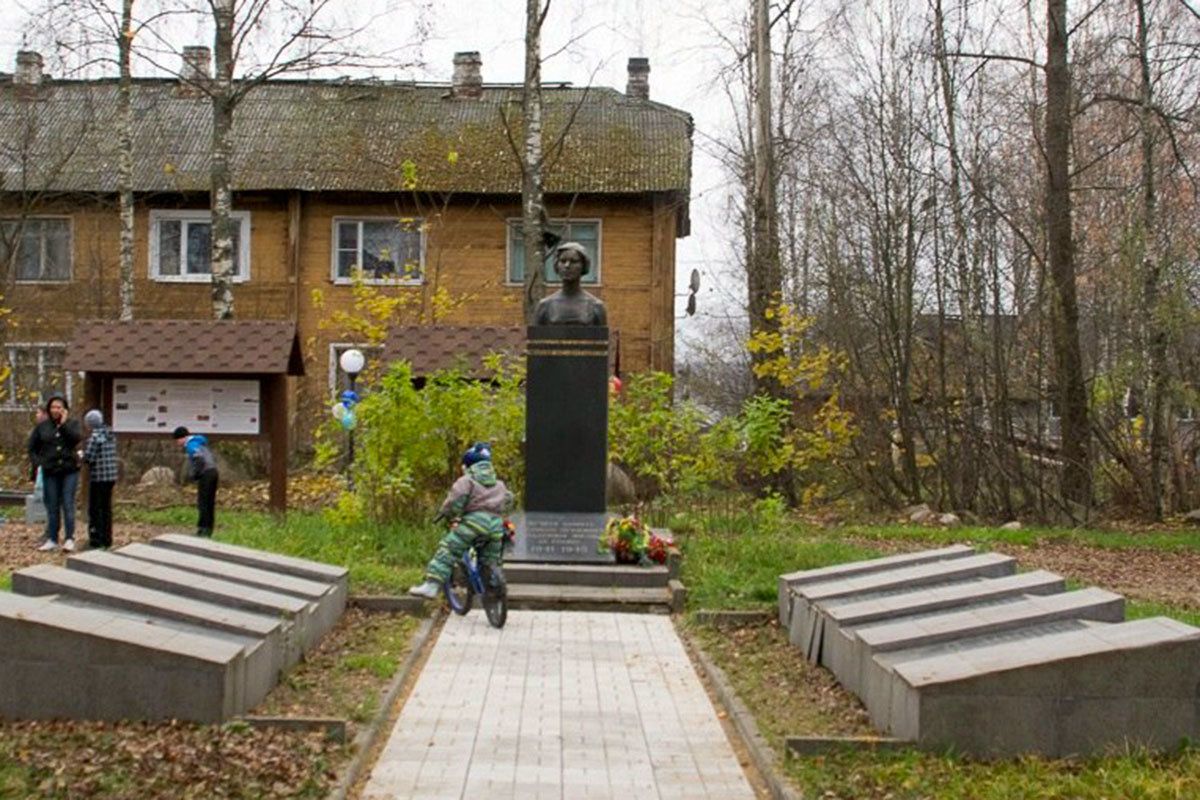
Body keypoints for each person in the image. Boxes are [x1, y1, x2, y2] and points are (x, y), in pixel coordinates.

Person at [409, 443, 514, 599]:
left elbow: (455, 500)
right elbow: (509, 499)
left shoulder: (466, 481)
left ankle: (432, 586)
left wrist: (448, 513)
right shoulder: (499, 484)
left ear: (467, 466)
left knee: (449, 549)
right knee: (491, 559)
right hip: (495, 526)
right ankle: (494, 583)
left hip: (474, 524)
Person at [28, 393, 83, 552]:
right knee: (52, 505)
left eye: (59, 407)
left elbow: (75, 439)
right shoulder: (42, 427)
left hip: (69, 470)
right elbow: (32, 448)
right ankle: (52, 538)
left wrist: (64, 424)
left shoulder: (72, 424)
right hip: (50, 470)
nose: (55, 410)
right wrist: (39, 462)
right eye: (53, 407)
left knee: (67, 503)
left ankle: (69, 538)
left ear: (64, 409)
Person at [533, 241, 608, 326]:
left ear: (583, 266)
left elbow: (602, 334)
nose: (567, 265)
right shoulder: (545, 306)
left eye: (574, 261)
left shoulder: (596, 306)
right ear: (556, 265)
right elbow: (536, 334)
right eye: (562, 261)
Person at [172, 426, 219, 537]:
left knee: (203, 502)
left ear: (182, 438)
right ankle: (209, 528)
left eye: (177, 440)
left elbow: (198, 458)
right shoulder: (200, 442)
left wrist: (196, 474)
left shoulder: (191, 444)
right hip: (213, 471)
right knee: (210, 502)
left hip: (205, 473)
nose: (177, 443)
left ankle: (203, 529)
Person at [82, 409, 118, 550]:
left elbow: (89, 458)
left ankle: (95, 539)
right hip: (111, 476)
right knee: (106, 508)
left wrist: (81, 455)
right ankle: (107, 539)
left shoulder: (95, 437)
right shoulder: (110, 434)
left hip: (98, 477)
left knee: (95, 509)